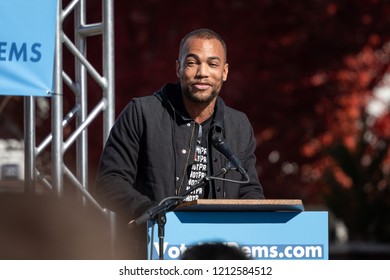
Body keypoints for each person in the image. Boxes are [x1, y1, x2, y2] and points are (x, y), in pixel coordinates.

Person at [95, 28, 264, 259]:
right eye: (193, 62)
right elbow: (109, 182)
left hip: (219, 258)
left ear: (224, 72)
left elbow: (249, 189)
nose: (202, 73)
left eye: (212, 64)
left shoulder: (239, 125)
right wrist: (151, 212)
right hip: (152, 253)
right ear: (178, 68)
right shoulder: (142, 112)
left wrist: (255, 215)